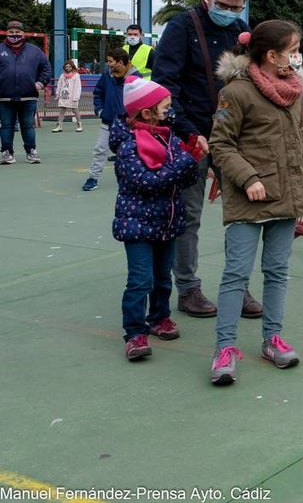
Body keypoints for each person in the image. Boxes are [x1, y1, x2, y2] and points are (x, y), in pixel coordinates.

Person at [208, 21, 303, 386]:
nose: (298, 56)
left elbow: (300, 132)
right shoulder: (236, 92)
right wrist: (248, 178)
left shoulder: (294, 89)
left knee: (277, 271)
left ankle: (272, 338)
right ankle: (224, 348)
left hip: (287, 195)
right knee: (236, 274)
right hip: (249, 200)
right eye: (293, 50)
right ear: (272, 55)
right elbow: (220, 144)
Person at [151, 0, 259, 319]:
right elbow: (166, 85)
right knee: (188, 214)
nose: (229, 12)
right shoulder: (181, 27)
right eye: (223, 5)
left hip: (231, 137)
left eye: (236, 7)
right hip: (191, 135)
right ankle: (188, 288)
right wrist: (187, 131)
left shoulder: (241, 31)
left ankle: (238, 287)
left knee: (242, 212)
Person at [111, 78, 203, 361]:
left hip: (167, 222)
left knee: (163, 278)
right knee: (140, 280)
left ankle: (159, 317)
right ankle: (134, 332)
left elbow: (186, 178)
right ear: (147, 113)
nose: (170, 111)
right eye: (165, 107)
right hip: (137, 225)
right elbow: (148, 182)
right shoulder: (128, 146)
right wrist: (184, 162)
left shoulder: (169, 138)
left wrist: (192, 157)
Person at [82, 49, 135, 192]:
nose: (108, 64)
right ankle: (93, 178)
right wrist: (100, 111)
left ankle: (132, 180)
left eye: (111, 61)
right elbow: (98, 93)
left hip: (128, 124)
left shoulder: (135, 77)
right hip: (108, 121)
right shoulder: (107, 76)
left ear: (120, 62)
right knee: (100, 149)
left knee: (131, 152)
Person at [0, 21, 51, 165]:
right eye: (11, 32)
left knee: (28, 125)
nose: (14, 34)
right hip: (4, 97)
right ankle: (7, 152)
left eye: (17, 32)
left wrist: (40, 83)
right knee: (6, 125)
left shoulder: (34, 51)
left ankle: (31, 151)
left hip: (28, 96)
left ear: (23, 33)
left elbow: (46, 68)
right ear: (7, 33)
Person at [53, 59, 83, 132]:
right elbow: (59, 85)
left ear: (72, 67)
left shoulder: (76, 76)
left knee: (75, 110)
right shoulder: (62, 76)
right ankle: (59, 125)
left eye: (69, 67)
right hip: (64, 96)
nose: (68, 68)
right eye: (66, 67)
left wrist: (76, 97)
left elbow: (78, 87)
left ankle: (79, 124)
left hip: (72, 96)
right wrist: (57, 94)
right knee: (62, 110)